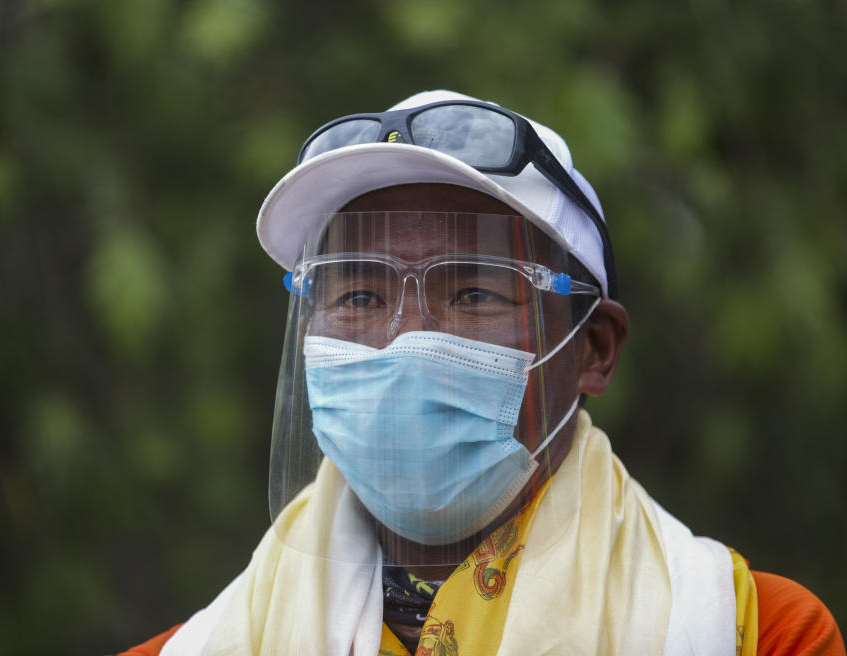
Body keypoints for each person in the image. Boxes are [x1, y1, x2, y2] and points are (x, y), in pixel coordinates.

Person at [120, 91, 844, 655]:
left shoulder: (751, 634)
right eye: (359, 295)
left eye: (473, 293)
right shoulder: (198, 648)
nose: (407, 341)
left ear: (594, 347)